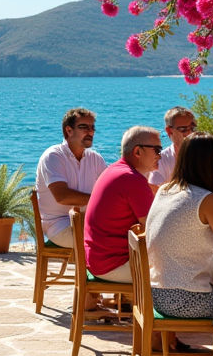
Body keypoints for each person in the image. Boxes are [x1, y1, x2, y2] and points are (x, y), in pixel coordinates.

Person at [144, 133, 213, 320]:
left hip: (155, 293)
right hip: (183, 299)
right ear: (208, 162)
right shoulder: (205, 199)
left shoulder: (166, 190)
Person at [84, 126, 160, 285]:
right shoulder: (132, 179)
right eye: (157, 149)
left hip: (98, 260)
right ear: (138, 151)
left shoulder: (115, 170)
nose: (160, 155)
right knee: (179, 274)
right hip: (114, 266)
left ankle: (128, 303)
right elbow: (155, 229)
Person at [34, 108, 107, 249]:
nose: (90, 132)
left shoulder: (95, 158)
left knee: (129, 233)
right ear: (69, 130)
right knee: (112, 241)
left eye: (92, 127)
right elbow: (62, 196)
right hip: (59, 226)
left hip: (87, 221)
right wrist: (101, 200)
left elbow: (111, 188)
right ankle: (92, 272)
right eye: (84, 127)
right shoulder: (53, 156)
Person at [148, 106, 199, 193]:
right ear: (169, 131)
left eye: (192, 128)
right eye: (183, 129)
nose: (190, 133)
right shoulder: (162, 161)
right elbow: (154, 191)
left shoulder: (208, 156)